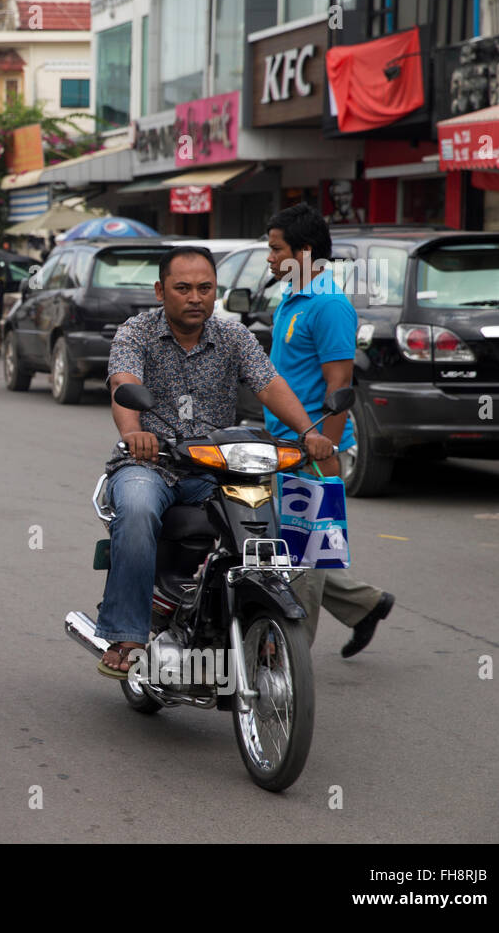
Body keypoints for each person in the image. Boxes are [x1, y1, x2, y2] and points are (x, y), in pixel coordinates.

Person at [86, 246, 335, 677]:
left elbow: (270, 384)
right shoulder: (136, 333)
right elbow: (123, 383)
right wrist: (134, 435)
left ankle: (262, 624)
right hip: (151, 464)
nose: (195, 297)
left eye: (205, 288)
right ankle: (127, 632)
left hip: (217, 467)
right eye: (183, 288)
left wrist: (309, 432)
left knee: (263, 523)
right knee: (138, 507)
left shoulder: (233, 336)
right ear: (160, 291)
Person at [263, 203, 395, 657]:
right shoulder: (292, 298)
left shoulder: (330, 305)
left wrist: (327, 451)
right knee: (299, 545)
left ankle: (286, 661)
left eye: (275, 249)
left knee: (301, 559)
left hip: (311, 448)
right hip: (282, 446)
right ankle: (367, 605)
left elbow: (340, 385)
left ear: (303, 252)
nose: (269, 258)